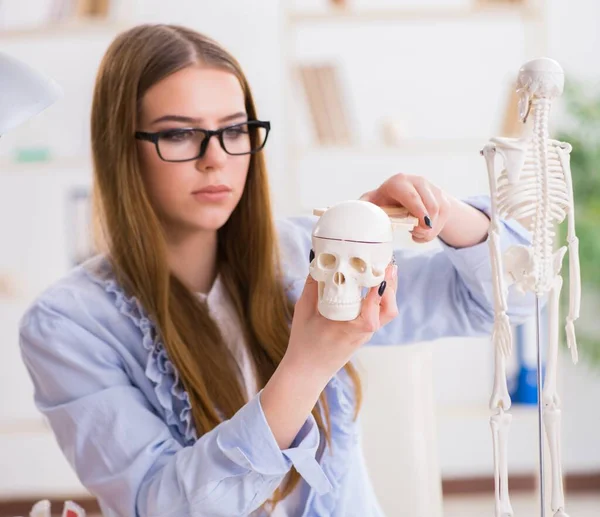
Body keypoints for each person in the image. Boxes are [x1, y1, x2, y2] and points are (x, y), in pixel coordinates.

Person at [18, 24, 534, 517]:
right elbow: (161, 504)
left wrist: (444, 215)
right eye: (178, 135)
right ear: (121, 149)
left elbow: (510, 300)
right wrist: (306, 366)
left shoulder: (302, 254)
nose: (216, 158)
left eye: (235, 130)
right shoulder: (68, 325)